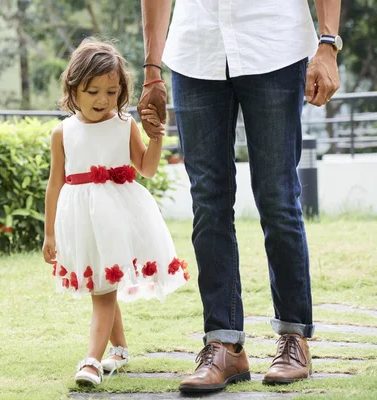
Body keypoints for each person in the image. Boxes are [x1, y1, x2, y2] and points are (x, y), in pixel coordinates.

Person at [138, 0, 341, 393]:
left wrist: (327, 43)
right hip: (197, 48)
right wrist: (152, 69)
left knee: (278, 196)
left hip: (274, 42)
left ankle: (293, 338)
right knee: (208, 204)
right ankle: (223, 343)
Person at [42, 37, 189, 386]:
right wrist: (49, 234)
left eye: (111, 91)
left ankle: (91, 361)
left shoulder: (125, 125)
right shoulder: (62, 133)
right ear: (73, 88)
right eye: (93, 91)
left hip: (117, 218)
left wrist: (156, 137)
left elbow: (148, 170)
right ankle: (119, 349)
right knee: (102, 286)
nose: (102, 100)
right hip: (81, 222)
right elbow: (54, 184)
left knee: (104, 292)